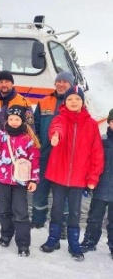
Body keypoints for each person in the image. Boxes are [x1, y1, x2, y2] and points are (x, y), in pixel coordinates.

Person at [40, 86, 104, 261]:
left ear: (82, 102)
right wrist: (56, 136)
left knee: (75, 212)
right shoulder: (60, 118)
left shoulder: (91, 124)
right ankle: (53, 239)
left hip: (79, 178)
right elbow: (56, 128)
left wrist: (93, 177)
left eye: (77, 99)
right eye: (70, 99)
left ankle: (73, 243)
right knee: (57, 209)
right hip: (59, 175)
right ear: (65, 102)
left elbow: (97, 153)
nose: (73, 102)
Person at [0, 104, 40, 256]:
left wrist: (33, 180)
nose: (13, 121)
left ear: (22, 121)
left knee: (20, 212)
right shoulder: (3, 135)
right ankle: (6, 234)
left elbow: (35, 160)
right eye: (11, 118)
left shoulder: (28, 139)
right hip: (3, 179)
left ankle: (23, 244)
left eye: (17, 119)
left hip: (20, 182)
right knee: (4, 210)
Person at [0, 70, 34, 222]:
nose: (4, 84)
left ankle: (16, 212)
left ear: (12, 83)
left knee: (16, 178)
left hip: (17, 145)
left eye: (6, 81)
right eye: (1, 82)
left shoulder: (23, 101)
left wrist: (27, 145)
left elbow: (30, 125)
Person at [31, 71, 74, 231]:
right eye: (59, 81)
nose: (61, 84)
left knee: (62, 193)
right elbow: (34, 125)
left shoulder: (75, 103)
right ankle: (37, 220)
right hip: (44, 155)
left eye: (65, 82)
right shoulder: (44, 102)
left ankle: (61, 225)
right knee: (40, 189)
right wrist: (38, 144)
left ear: (71, 85)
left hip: (64, 158)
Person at [80, 109, 113, 259]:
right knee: (94, 217)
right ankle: (89, 241)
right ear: (109, 122)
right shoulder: (102, 139)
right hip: (100, 187)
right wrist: (88, 181)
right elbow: (91, 161)